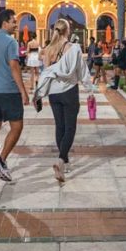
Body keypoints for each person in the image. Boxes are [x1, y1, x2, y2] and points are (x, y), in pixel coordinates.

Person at [34, 18, 90, 182]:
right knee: (70, 127)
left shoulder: (48, 50)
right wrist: (89, 88)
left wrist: (38, 93)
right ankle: (60, 159)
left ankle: (64, 161)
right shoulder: (73, 48)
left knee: (60, 126)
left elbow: (45, 72)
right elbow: (82, 70)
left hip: (54, 93)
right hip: (69, 91)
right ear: (68, 31)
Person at [0, 8, 28, 182]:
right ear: (5, 23)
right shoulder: (11, 42)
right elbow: (14, 67)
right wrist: (23, 91)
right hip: (7, 90)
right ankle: (0, 160)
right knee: (17, 127)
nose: (16, 25)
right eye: (14, 21)